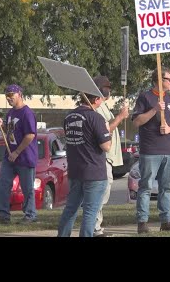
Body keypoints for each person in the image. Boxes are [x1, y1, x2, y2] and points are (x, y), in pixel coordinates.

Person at [132, 67, 170, 234]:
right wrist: (155, 109)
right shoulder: (145, 97)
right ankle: (142, 222)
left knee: (166, 187)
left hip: (169, 151)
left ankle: (166, 220)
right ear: (159, 80)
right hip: (150, 151)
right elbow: (137, 121)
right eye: (169, 79)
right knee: (146, 186)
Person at [57, 92, 111, 237]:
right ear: (96, 99)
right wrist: (106, 129)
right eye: (101, 98)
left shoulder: (69, 117)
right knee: (90, 211)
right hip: (94, 171)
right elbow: (106, 146)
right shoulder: (96, 117)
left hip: (75, 170)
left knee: (71, 208)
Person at [0, 84, 39, 225]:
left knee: (27, 187)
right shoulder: (10, 113)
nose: (9, 98)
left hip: (25, 157)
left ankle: (30, 214)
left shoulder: (27, 113)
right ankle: (3, 215)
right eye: (7, 95)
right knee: (3, 183)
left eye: (11, 95)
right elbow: (9, 131)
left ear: (19, 94)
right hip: (9, 157)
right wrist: (1, 124)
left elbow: (30, 135)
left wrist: (17, 152)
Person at [92, 75, 129, 237]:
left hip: (107, 156)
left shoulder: (104, 107)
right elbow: (106, 130)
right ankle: (94, 227)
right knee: (101, 192)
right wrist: (121, 117)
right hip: (102, 156)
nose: (109, 91)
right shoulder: (97, 108)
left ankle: (95, 226)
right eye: (107, 88)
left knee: (103, 192)